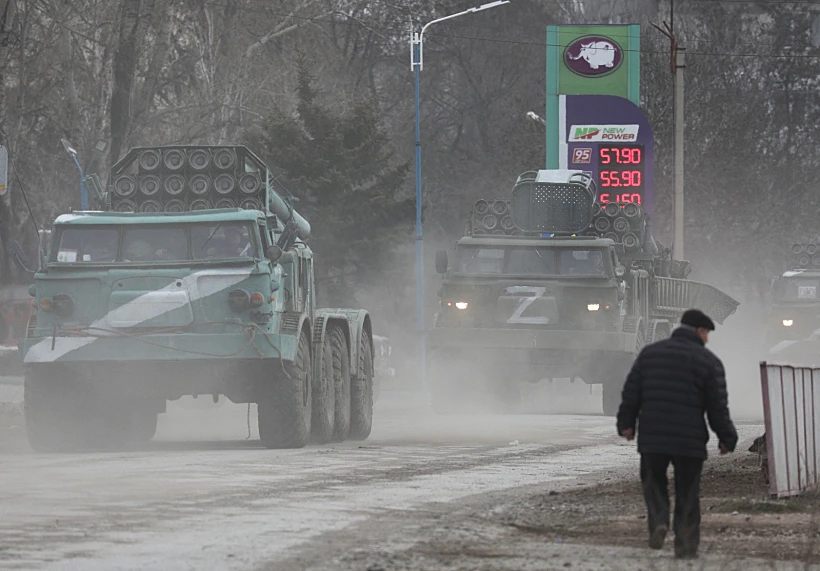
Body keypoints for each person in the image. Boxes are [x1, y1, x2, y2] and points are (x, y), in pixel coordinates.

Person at [616, 309, 738, 560]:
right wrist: (727, 438)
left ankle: (660, 521)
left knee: (653, 483)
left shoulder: (650, 354)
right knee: (688, 492)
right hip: (689, 441)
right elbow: (717, 407)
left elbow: (631, 392)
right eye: (706, 335)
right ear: (699, 332)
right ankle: (685, 547)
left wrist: (626, 424)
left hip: (653, 438)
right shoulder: (709, 362)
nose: (707, 340)